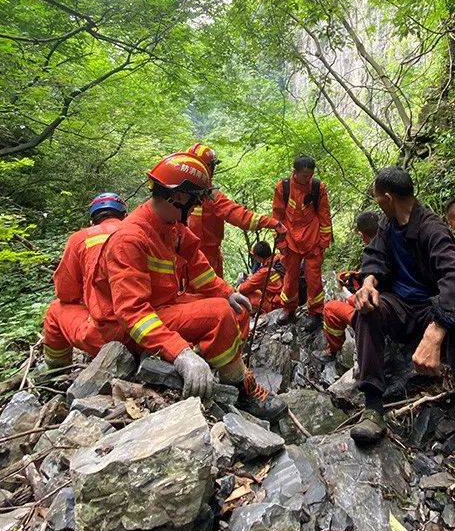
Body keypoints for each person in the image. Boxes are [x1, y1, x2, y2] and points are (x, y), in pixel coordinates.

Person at [79, 153, 287, 419]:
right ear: (176, 196)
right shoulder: (130, 239)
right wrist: (180, 353)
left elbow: (197, 266)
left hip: (160, 306)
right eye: (195, 199)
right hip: (128, 326)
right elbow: (132, 313)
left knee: (232, 308)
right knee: (218, 313)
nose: (198, 204)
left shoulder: (170, 225)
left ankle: (221, 364)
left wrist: (228, 292)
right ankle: (242, 391)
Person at [350, 167, 455, 475]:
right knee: (367, 311)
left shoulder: (432, 230)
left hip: (429, 308)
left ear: (387, 198)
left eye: (377, 198)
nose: (377, 204)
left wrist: (437, 329)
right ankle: (373, 408)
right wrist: (370, 281)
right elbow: (375, 257)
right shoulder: (387, 226)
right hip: (400, 307)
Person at [43, 192, 128, 369]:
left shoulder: (80, 239)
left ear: (92, 220)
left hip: (105, 335)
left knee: (55, 311)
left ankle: (56, 370)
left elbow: (66, 293)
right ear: (124, 216)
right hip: (151, 329)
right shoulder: (141, 232)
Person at [185, 142, 285, 278]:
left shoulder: (177, 192)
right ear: (207, 168)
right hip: (204, 260)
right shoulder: (211, 197)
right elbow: (240, 216)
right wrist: (273, 223)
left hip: (185, 258)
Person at [272, 155, 332, 330]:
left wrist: (324, 241)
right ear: (295, 173)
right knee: (290, 277)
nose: (308, 179)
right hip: (290, 238)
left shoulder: (317, 187)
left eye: (310, 175)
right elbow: (277, 217)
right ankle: (288, 310)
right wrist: (281, 243)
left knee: (314, 278)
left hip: (312, 238)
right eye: (305, 175)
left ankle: (315, 312)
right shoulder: (282, 188)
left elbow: (324, 215)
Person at [321, 211, 380, 358]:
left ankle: (334, 349)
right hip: (400, 307)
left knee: (330, 308)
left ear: (362, 235)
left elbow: (368, 297)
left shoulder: (373, 252)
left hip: (376, 313)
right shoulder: (392, 245)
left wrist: (347, 295)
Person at [237, 241, 285, 313]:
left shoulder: (264, 271)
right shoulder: (279, 258)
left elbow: (242, 289)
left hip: (277, 304)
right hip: (289, 296)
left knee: (248, 295)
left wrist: (239, 285)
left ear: (258, 257)